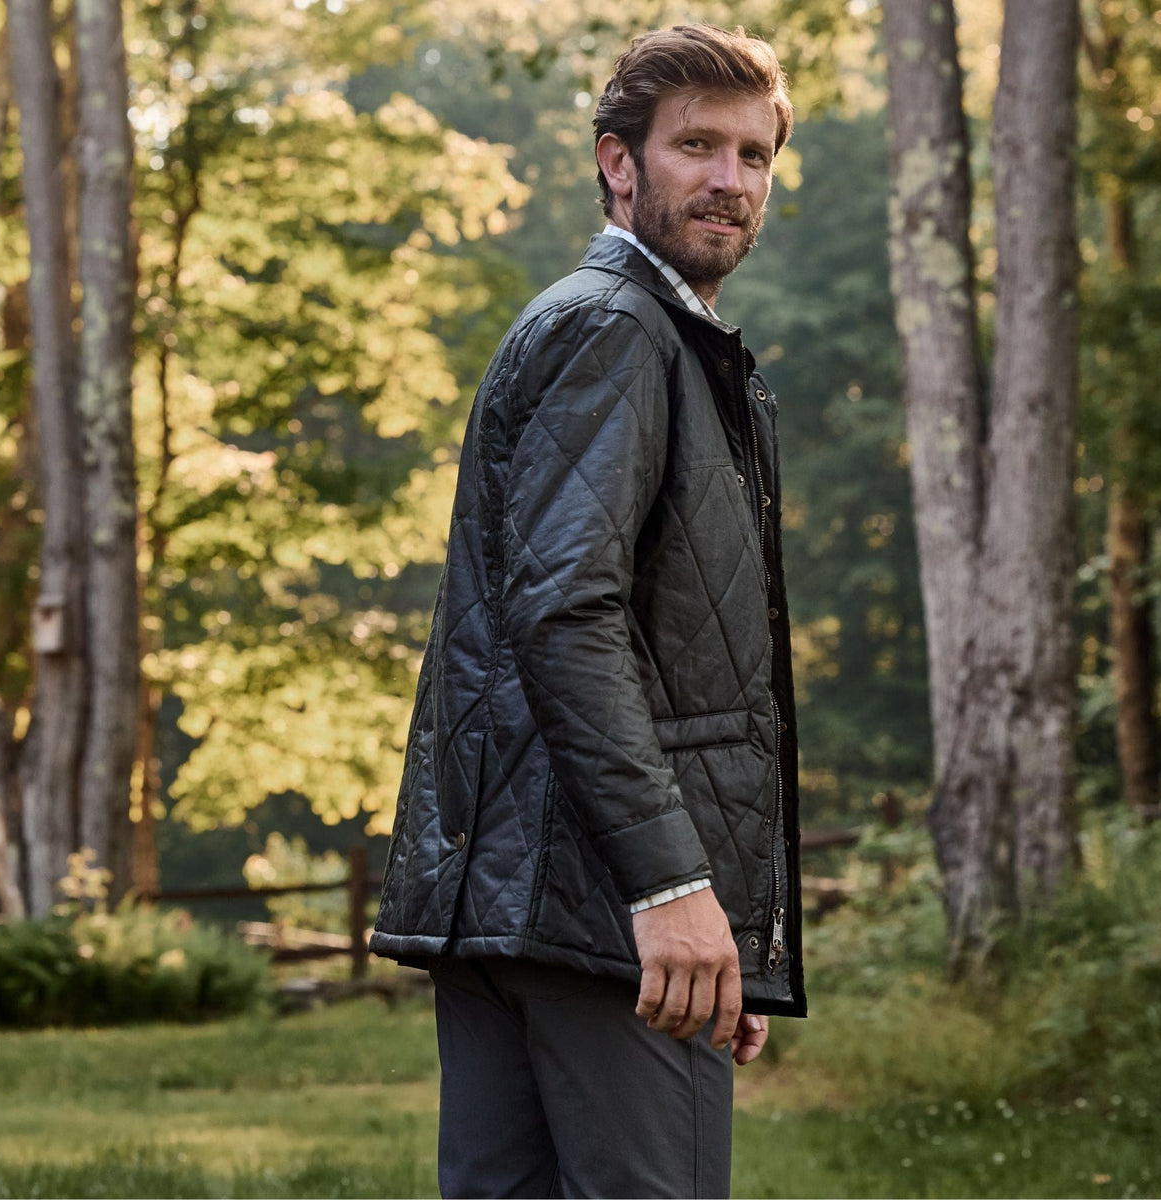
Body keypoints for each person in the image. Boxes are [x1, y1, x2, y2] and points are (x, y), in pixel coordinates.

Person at [369, 23, 805, 1199]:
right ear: (619, 162)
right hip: (597, 908)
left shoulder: (651, 335)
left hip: (545, 908)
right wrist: (673, 893)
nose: (729, 180)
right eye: (696, 146)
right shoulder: (617, 330)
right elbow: (565, 617)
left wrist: (726, 927)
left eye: (753, 156)